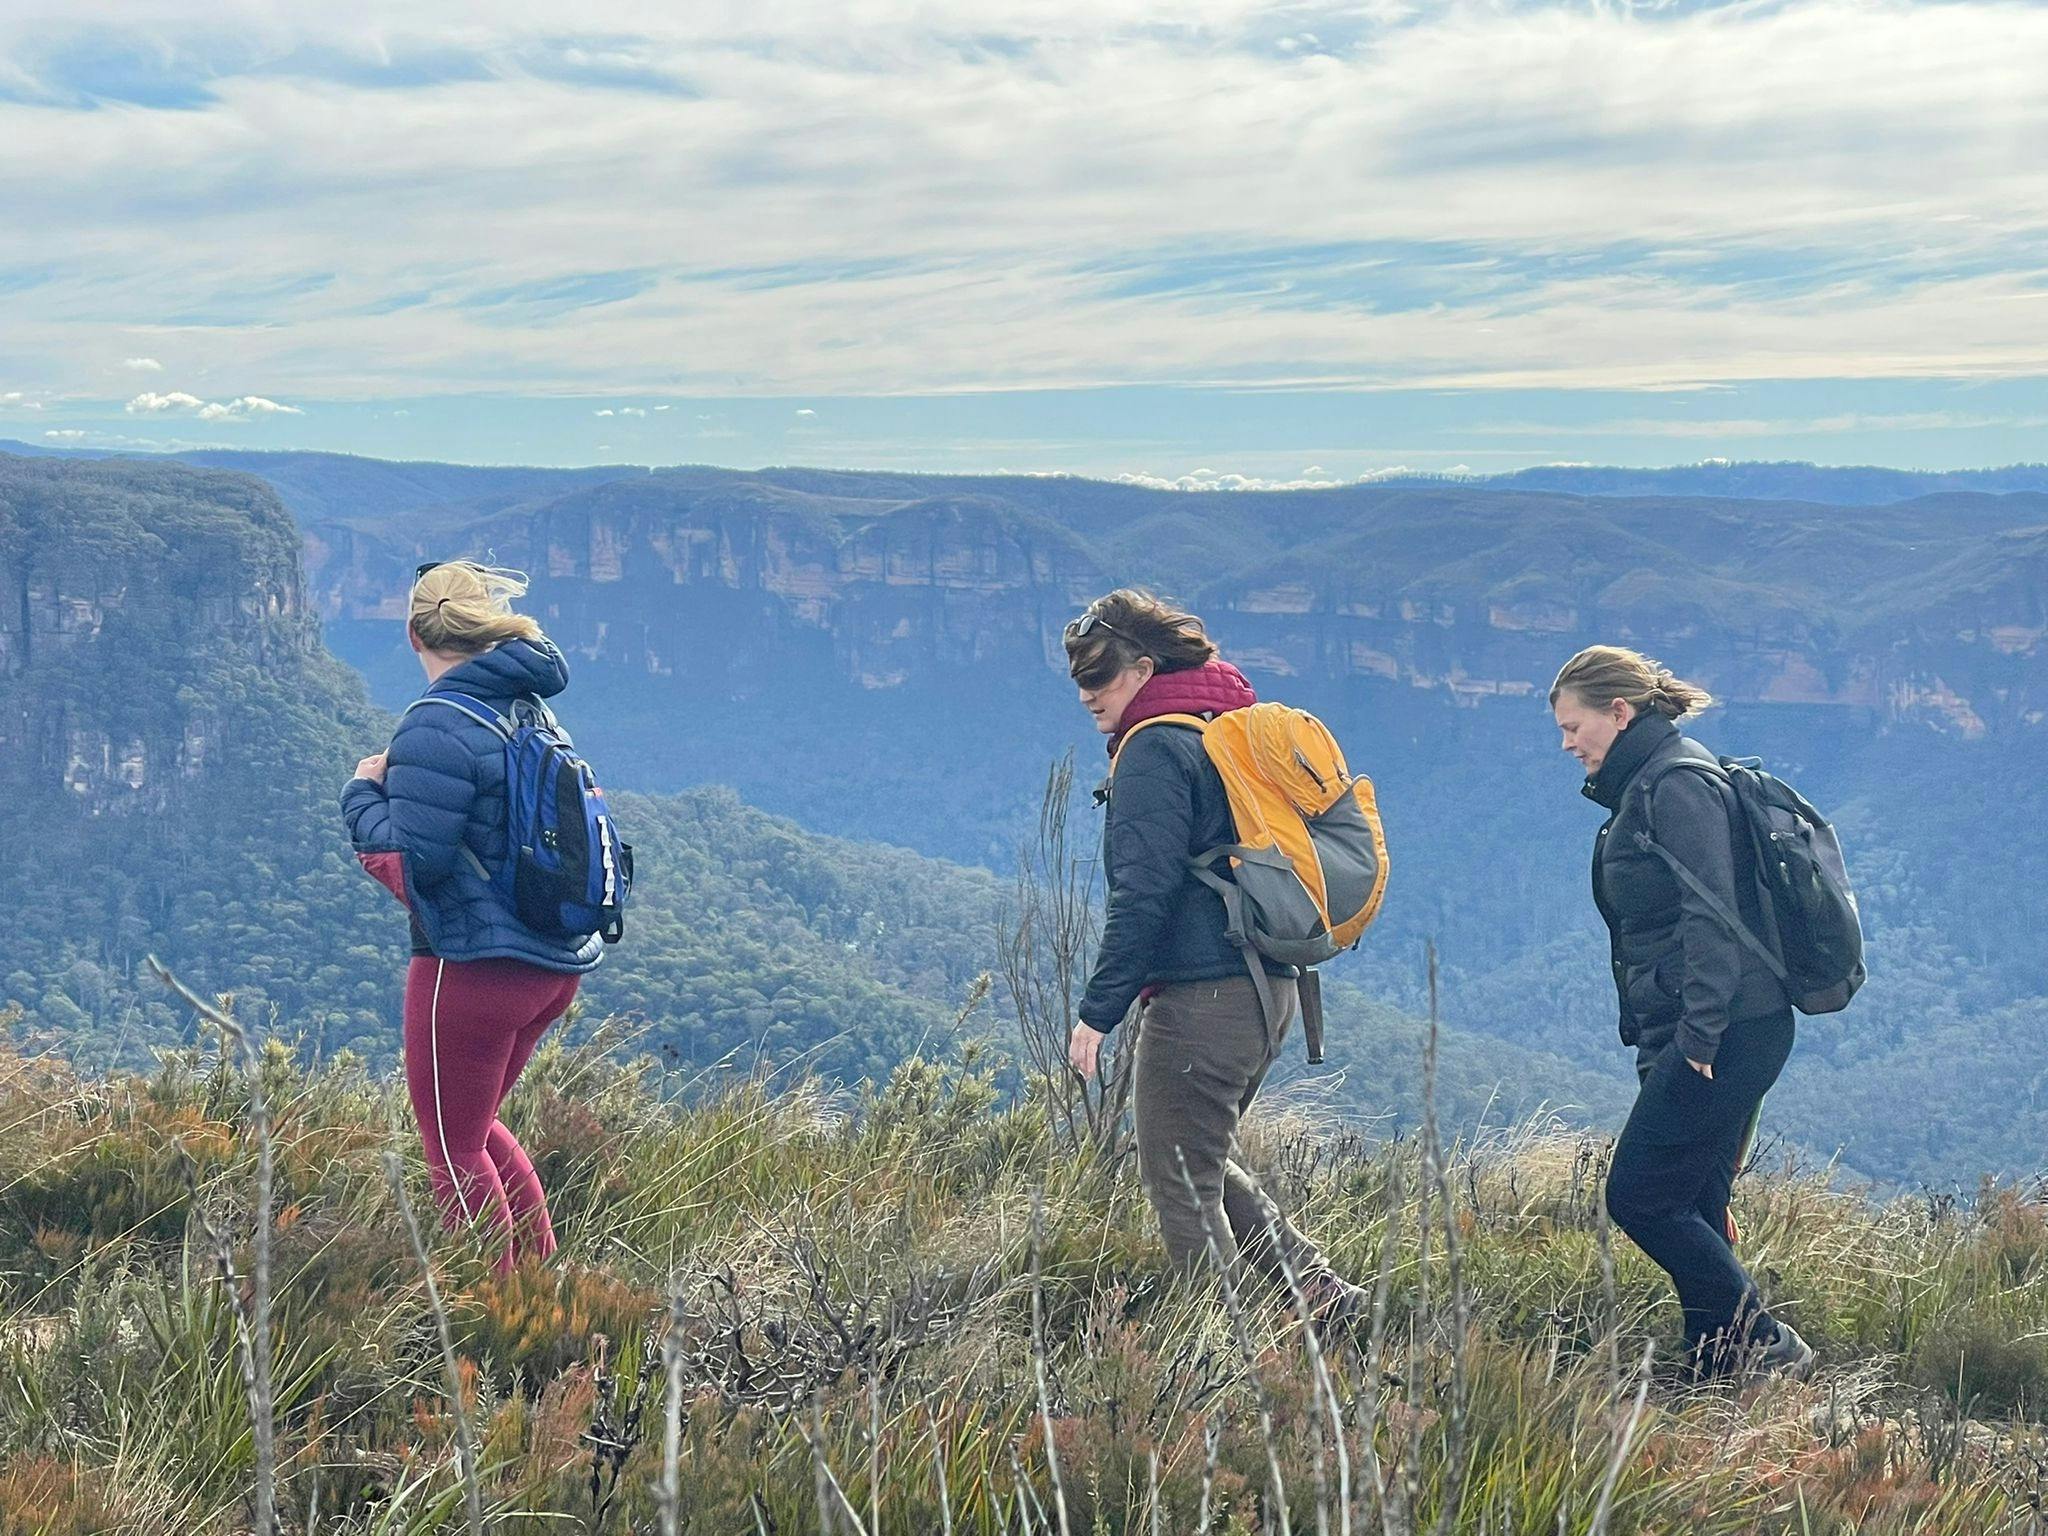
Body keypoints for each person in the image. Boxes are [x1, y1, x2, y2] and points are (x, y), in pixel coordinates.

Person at [1064, 589, 1364, 1316]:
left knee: (1176, 1176)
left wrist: (1097, 1014)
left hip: (1203, 1000)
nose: (1087, 696)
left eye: (1099, 678)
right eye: (1079, 682)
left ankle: (1219, 1352)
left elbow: (1143, 895)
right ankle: (1319, 1292)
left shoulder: (1153, 749)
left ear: (1142, 668)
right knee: (1197, 1154)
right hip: (1266, 991)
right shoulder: (1218, 731)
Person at [1552, 644, 1813, 1380]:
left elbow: (1714, 919)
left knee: (1638, 1195)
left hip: (1729, 1029)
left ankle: (1762, 1340)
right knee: (1694, 1198)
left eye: (1575, 727)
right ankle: (1715, 1366)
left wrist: (1697, 1037)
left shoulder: (1675, 785)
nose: (1567, 744)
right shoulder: (1650, 780)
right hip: (1710, 1027)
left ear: (1619, 712)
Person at [343, 561, 603, 1275]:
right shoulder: (528, 705)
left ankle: (496, 1303)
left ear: (411, 633)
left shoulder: (435, 723)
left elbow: (416, 865)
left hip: (470, 969)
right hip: (550, 964)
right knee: (476, 1126)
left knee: (451, 1152)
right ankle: (538, 1280)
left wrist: (361, 795)